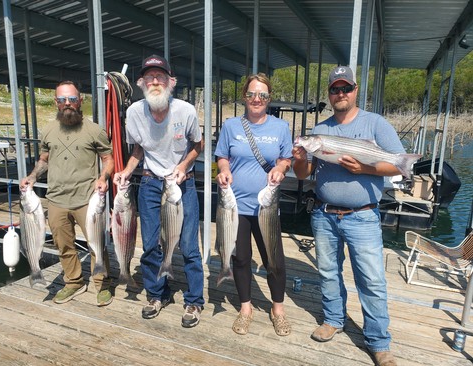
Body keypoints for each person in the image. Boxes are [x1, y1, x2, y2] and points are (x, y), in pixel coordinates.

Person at [292, 66, 399, 366]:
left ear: (355, 91)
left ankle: (378, 342)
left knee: (372, 280)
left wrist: (364, 168)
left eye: (346, 88)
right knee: (328, 273)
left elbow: (398, 165)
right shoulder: (321, 131)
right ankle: (333, 320)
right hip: (324, 215)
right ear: (329, 95)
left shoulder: (375, 124)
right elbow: (304, 174)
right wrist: (301, 157)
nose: (341, 94)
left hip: (363, 216)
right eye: (335, 89)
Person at [113, 55, 205, 328]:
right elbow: (138, 150)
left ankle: (194, 300)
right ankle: (157, 294)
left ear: (170, 81)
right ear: (141, 82)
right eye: (150, 77)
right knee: (151, 244)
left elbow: (197, 146)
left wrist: (183, 165)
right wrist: (127, 171)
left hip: (182, 184)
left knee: (189, 246)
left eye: (160, 76)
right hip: (151, 183)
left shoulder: (186, 111)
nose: (155, 81)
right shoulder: (133, 113)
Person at [20, 80, 114, 306]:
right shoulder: (48, 130)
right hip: (56, 199)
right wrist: (32, 177)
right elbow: (44, 159)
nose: (67, 104)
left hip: (87, 199)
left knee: (96, 243)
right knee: (64, 245)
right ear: (56, 103)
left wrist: (103, 177)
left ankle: (103, 283)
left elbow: (108, 159)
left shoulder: (94, 130)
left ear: (81, 101)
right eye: (62, 100)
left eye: (72, 99)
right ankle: (73, 282)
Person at [215, 73, 292, 336]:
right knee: (241, 258)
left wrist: (281, 169)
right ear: (244, 97)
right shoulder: (231, 126)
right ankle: (245, 308)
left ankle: (277, 309)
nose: (256, 99)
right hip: (235, 206)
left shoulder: (281, 127)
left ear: (269, 98)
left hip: (267, 208)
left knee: (275, 260)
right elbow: (222, 157)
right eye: (251, 94)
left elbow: (286, 158)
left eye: (262, 95)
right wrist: (223, 170)